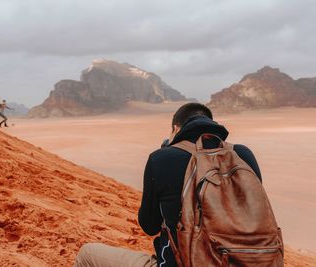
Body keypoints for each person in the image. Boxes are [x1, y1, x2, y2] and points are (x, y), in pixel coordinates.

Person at [73, 103, 262, 267]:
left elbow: (149, 225)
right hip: (251, 262)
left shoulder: (162, 158)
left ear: (175, 128)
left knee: (87, 253)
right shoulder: (243, 154)